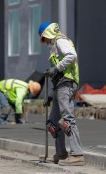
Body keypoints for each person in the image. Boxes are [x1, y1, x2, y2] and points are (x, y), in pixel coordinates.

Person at [38, 21, 85, 166]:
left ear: (47, 33)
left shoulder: (60, 41)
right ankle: (61, 153)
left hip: (67, 82)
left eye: (44, 38)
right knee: (53, 123)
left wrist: (56, 68)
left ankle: (77, 154)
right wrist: (51, 96)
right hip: (60, 85)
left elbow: (71, 56)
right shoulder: (54, 46)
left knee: (67, 120)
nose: (45, 42)